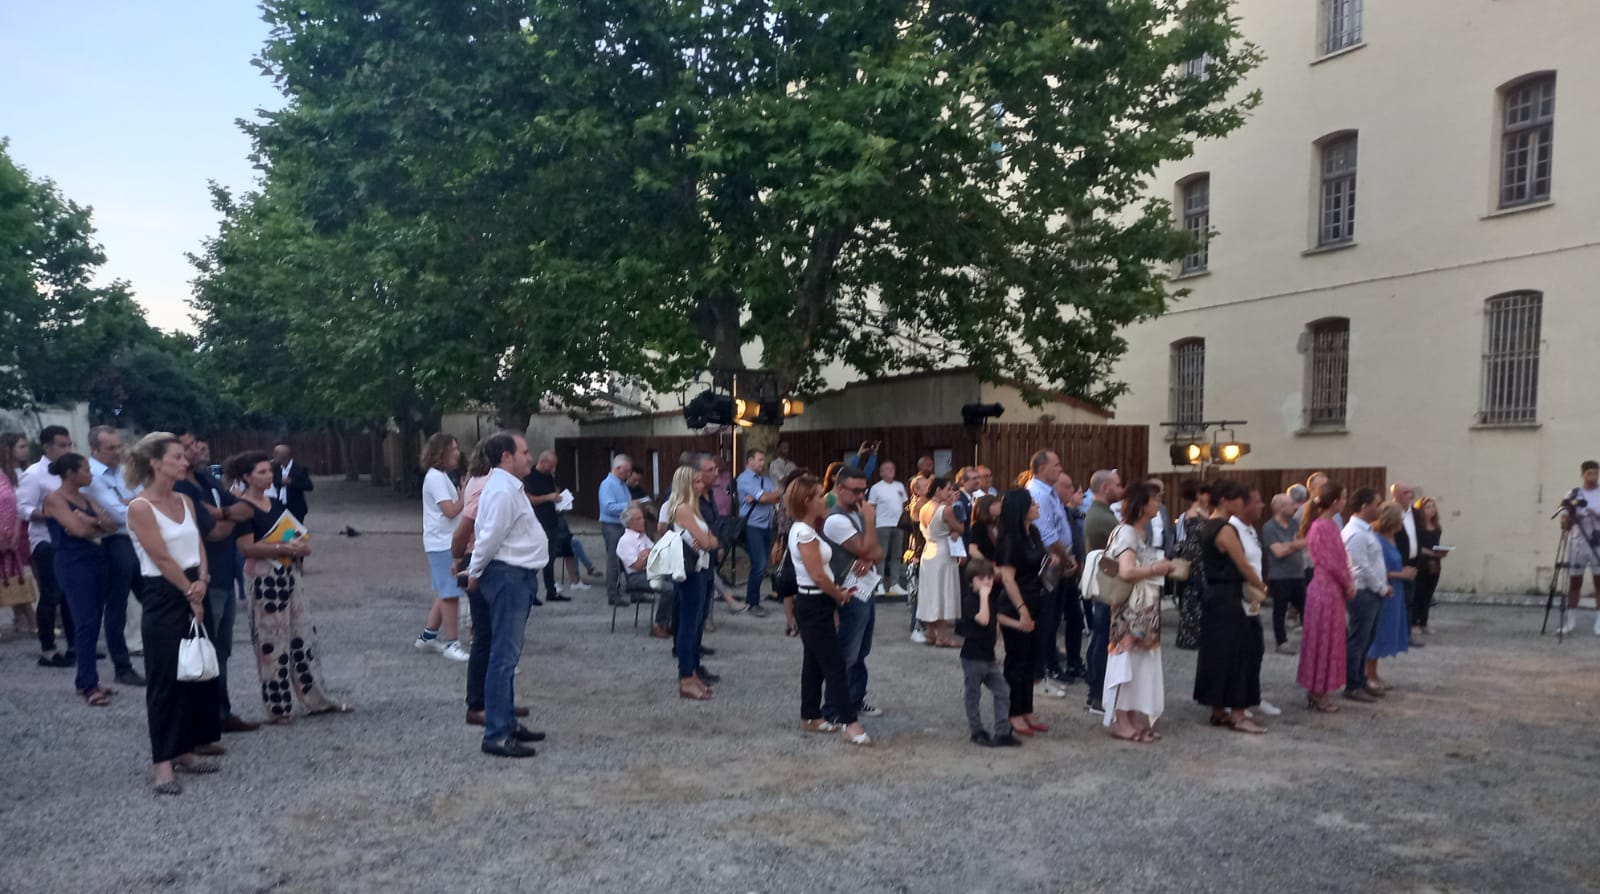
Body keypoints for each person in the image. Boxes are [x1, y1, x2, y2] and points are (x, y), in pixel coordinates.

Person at [124, 433, 222, 794]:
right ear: (156, 462)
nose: (185, 462)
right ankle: (162, 762)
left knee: (195, 672)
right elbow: (161, 555)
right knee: (165, 677)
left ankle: (186, 748)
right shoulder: (140, 507)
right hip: (165, 593)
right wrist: (188, 591)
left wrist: (204, 581)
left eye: (185, 457)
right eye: (178, 457)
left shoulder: (184, 499)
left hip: (195, 584)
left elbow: (197, 542)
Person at [229, 450, 353, 723]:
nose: (267, 476)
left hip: (287, 572)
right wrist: (282, 546)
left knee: (301, 636)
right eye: (260, 472)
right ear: (246, 477)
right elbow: (246, 546)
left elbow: (299, 536)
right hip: (264, 578)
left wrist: (298, 547)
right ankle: (279, 706)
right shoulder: (242, 508)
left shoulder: (275, 503)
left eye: (268, 471)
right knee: (272, 643)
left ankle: (315, 698)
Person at [464, 432, 547, 756]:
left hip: (516, 576)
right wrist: (474, 572)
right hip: (508, 577)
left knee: (506, 657)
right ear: (506, 457)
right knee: (503, 657)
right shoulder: (501, 490)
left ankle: (507, 722)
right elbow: (488, 537)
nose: (530, 457)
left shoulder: (507, 487)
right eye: (524, 452)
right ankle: (497, 733)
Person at [173, 435, 260, 733]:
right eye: (187, 447)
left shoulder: (204, 479)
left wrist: (221, 514)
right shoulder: (179, 488)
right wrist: (228, 516)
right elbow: (211, 533)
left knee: (221, 650)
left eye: (196, 444)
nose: (196, 449)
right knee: (202, 648)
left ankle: (221, 712)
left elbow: (247, 509)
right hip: (202, 578)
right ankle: (202, 719)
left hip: (223, 576)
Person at [787, 473, 873, 747]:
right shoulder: (802, 531)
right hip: (813, 602)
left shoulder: (810, 530)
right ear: (807, 500)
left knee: (814, 662)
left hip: (819, 603)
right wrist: (839, 595)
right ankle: (850, 722)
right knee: (834, 664)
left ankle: (810, 714)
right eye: (820, 496)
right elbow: (818, 575)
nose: (826, 499)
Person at [450, 440, 531, 728]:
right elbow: (465, 528)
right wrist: (460, 560)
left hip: (481, 560)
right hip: (484, 562)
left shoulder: (476, 480)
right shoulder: (488, 484)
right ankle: (480, 705)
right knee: (488, 637)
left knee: (489, 636)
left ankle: (495, 702)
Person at [1193, 480, 1270, 734]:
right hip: (1230, 596)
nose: (1242, 504)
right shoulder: (1225, 529)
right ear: (1226, 500)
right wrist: (1261, 586)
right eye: (1238, 499)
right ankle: (1238, 713)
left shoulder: (1207, 525)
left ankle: (1218, 709)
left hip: (1215, 596)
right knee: (1240, 654)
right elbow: (1243, 564)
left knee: (1219, 653)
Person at [42, 453, 118, 704]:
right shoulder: (54, 499)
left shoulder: (86, 498)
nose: (90, 474)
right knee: (84, 621)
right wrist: (92, 524)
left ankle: (86, 677)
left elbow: (112, 525)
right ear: (71, 474)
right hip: (73, 563)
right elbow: (78, 529)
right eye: (85, 469)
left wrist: (92, 521)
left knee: (94, 619)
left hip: (95, 559)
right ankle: (88, 685)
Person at [1104, 481, 1171, 743]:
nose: (1158, 504)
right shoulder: (1128, 533)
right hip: (1130, 611)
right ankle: (1121, 721)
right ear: (1142, 504)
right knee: (1127, 662)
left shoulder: (1138, 533)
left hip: (1142, 609)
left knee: (1139, 664)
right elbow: (1127, 571)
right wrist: (1157, 569)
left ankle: (1130, 718)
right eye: (1155, 499)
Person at [821, 466, 884, 723]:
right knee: (847, 652)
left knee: (861, 651)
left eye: (864, 490)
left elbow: (877, 551)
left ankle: (855, 699)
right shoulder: (836, 520)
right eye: (856, 491)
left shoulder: (855, 514)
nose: (861, 496)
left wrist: (868, 558)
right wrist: (869, 519)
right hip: (849, 593)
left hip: (865, 589)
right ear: (840, 488)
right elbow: (867, 548)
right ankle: (834, 709)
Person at [85, 426, 145, 686]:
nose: (117, 452)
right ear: (95, 450)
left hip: (137, 539)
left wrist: (128, 504)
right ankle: (122, 666)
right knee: (117, 605)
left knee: (151, 596)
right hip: (113, 543)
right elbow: (120, 515)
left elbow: (145, 501)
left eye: (118, 446)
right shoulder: (91, 476)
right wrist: (131, 505)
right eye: (110, 448)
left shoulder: (123, 471)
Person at [17, 425, 76, 667]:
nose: (66, 449)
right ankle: (48, 649)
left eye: (69, 444)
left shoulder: (69, 471)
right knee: (51, 594)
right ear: (47, 446)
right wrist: (52, 514)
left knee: (71, 595)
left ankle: (75, 645)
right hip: (46, 540)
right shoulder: (34, 474)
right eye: (62, 445)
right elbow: (24, 509)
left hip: (71, 539)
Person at [994, 489, 1047, 737]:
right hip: (1016, 603)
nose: (1037, 506)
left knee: (1031, 659)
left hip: (1037, 599)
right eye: (1032, 503)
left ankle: (1027, 708)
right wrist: (1022, 610)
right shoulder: (1009, 539)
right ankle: (1013, 711)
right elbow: (1007, 578)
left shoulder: (1033, 533)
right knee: (1016, 660)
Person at [665, 464, 720, 701]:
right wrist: (708, 540)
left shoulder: (692, 508)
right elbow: (707, 542)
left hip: (700, 569)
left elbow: (712, 541)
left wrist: (708, 540)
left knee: (696, 623)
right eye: (697, 481)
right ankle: (686, 676)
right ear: (688, 484)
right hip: (691, 572)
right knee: (689, 625)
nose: (702, 485)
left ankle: (693, 671)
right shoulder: (683, 509)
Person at [414, 433, 470, 661]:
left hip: (442, 541)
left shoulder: (440, 476)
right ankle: (451, 643)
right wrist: (466, 495)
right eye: (453, 449)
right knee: (450, 593)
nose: (457, 453)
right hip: (442, 542)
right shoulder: (436, 478)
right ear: (442, 452)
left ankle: (427, 638)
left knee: (444, 590)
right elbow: (450, 511)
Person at [1025, 450, 1075, 699]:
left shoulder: (1050, 492)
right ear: (1042, 467)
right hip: (1048, 563)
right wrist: (1066, 559)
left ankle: (1045, 671)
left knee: (1052, 622)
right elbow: (1047, 535)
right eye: (1056, 465)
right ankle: (1038, 675)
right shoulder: (1037, 494)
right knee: (1043, 622)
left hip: (1059, 562)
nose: (1059, 468)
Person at [1297, 484, 1351, 713]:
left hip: (1332, 589)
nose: (1345, 502)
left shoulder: (1329, 526)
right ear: (1335, 501)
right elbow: (1330, 562)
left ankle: (1321, 689)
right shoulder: (1321, 527)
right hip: (1324, 590)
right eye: (1344, 498)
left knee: (1331, 640)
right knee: (1322, 641)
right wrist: (1348, 582)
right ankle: (1318, 691)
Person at [960, 558, 1023, 747]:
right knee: (973, 694)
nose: (986, 582)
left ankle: (1003, 731)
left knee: (1003, 690)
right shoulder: (971, 600)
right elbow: (983, 619)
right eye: (981, 579)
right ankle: (976, 730)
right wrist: (984, 597)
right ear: (972, 582)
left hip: (988, 657)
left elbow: (994, 623)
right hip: (972, 657)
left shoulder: (989, 598)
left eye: (988, 578)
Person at [1341, 488, 1388, 703]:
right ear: (1363, 506)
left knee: (1366, 639)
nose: (1380, 508)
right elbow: (1360, 566)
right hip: (1363, 593)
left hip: (1371, 593)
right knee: (1358, 640)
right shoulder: (1356, 533)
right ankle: (1352, 684)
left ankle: (1360, 679)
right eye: (1376, 504)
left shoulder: (1366, 530)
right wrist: (1380, 587)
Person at [1082, 468, 1123, 715]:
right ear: (1106, 488)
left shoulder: (1102, 513)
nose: (1121, 489)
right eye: (1118, 485)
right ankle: (1097, 695)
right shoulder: (1103, 518)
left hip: (1104, 584)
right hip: (1107, 585)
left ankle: (1095, 692)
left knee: (1099, 638)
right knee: (1102, 639)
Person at [1366, 502, 1413, 691]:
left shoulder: (1393, 539)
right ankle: (1368, 674)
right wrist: (1400, 574)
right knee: (1377, 632)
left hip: (1396, 591)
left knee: (1386, 631)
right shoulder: (1377, 541)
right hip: (1384, 591)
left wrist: (1403, 571)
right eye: (1400, 519)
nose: (1402, 523)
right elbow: (1375, 570)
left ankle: (1374, 672)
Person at [0, 432, 39, 635]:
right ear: (9, 449)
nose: (26, 450)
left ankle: (38, 616)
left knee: (30, 572)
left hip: (26, 525)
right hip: (9, 527)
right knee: (11, 573)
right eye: (21, 446)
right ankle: (22, 616)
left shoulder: (29, 471)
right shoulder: (3, 474)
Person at [916, 477, 963, 648]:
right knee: (942, 592)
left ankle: (930, 632)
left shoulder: (923, 508)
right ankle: (942, 636)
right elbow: (960, 528)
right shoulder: (944, 510)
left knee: (930, 592)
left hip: (928, 550)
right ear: (938, 490)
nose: (950, 492)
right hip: (943, 552)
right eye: (948, 489)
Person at [525, 450, 574, 603]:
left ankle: (551, 591)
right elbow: (529, 499)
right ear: (543, 462)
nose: (553, 469)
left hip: (552, 519)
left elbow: (553, 492)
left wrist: (559, 498)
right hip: (538, 521)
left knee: (550, 558)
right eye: (551, 465)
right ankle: (529, 592)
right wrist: (548, 497)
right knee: (536, 558)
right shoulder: (530, 475)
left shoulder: (549, 477)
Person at [1262, 493, 1309, 655]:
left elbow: (1306, 542)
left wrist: (1289, 545)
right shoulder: (1269, 527)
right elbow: (1278, 552)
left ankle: (1310, 640)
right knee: (1280, 610)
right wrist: (1294, 545)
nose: (1295, 507)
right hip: (1279, 576)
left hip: (1298, 574)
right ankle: (1281, 642)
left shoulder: (1295, 523)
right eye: (1291, 504)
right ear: (1280, 508)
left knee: (1306, 609)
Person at [1558, 460, 1600, 636]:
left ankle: (1598, 623)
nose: (1593, 477)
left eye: (1596, 473)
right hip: (1577, 542)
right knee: (1575, 582)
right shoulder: (1574, 493)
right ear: (1582, 474)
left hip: (1597, 543)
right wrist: (1571, 519)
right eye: (1590, 473)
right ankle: (1570, 621)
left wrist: (1595, 515)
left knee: (1599, 583)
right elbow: (1563, 520)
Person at [736, 448, 779, 617]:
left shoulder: (765, 479)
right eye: (760, 460)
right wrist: (763, 497)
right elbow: (764, 498)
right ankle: (752, 602)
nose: (763, 463)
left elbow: (778, 496)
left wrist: (764, 496)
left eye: (763, 459)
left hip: (767, 525)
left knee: (762, 564)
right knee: (759, 564)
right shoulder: (744, 479)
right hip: (752, 526)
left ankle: (753, 600)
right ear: (750, 461)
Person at [1172, 476, 1211, 651]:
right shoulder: (1197, 512)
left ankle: (1192, 634)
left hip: (1195, 554)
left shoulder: (1193, 512)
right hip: (1198, 556)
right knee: (1196, 594)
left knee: (1193, 595)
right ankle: (1194, 635)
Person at [867, 461, 909, 596]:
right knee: (881, 556)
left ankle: (894, 584)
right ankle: (879, 584)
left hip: (898, 525)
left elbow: (905, 504)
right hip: (882, 525)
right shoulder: (876, 488)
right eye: (887, 468)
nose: (891, 470)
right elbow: (871, 508)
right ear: (881, 473)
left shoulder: (899, 486)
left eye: (892, 468)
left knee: (897, 556)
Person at [1390, 481, 1424, 648]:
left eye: (1411, 492)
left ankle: (1406, 634)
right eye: (1406, 493)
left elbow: (1419, 536)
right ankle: (1392, 635)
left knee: (1409, 600)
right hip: (1395, 563)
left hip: (1412, 563)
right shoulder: (1389, 513)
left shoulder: (1417, 514)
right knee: (1394, 602)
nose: (1410, 496)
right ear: (1395, 494)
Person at [598, 454, 633, 608]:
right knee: (614, 561)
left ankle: (634, 590)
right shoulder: (607, 485)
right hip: (612, 525)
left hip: (623, 525)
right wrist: (629, 505)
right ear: (618, 469)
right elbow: (608, 507)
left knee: (628, 558)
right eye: (627, 471)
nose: (629, 475)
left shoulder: (621, 484)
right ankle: (613, 593)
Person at [1413, 497, 1445, 637]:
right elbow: (1417, 548)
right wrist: (1432, 553)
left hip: (1435, 564)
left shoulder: (1437, 527)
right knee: (1418, 593)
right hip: (1421, 563)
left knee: (1428, 595)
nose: (1431, 510)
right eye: (1427, 507)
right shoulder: (1417, 528)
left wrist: (1441, 552)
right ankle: (1414, 622)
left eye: (1432, 507)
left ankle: (1424, 623)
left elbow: (1436, 544)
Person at [269, 442, 314, 523]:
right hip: (280, 506)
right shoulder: (275, 468)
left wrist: (292, 482)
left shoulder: (299, 469)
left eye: (276, 454)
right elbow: (273, 482)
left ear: (284, 455)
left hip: (296, 507)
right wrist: (281, 482)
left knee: (294, 533)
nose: (273, 456)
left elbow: (309, 486)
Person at [616, 503, 654, 593]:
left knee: (679, 581)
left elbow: (657, 550)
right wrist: (650, 553)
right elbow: (638, 565)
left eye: (643, 518)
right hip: (636, 577)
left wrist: (648, 552)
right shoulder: (626, 540)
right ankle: (665, 607)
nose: (643, 521)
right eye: (639, 519)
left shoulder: (642, 535)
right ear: (629, 522)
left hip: (649, 572)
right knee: (671, 588)